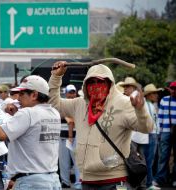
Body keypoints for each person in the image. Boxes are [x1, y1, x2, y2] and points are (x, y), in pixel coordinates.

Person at [48, 61, 153, 189]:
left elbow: (146, 128)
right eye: (91, 82)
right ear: (85, 84)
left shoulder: (123, 103)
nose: (96, 86)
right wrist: (56, 77)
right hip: (87, 180)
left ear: (110, 83)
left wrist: (140, 109)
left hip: (115, 180)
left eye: (101, 81)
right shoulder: (79, 104)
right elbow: (54, 104)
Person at [0, 75, 62, 190]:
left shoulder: (27, 113)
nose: (17, 99)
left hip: (31, 181)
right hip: (51, 179)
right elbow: (32, 133)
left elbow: (1, 135)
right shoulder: (54, 113)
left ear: (34, 95)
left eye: (22, 94)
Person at [120, 77, 148, 189]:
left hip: (134, 135)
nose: (125, 89)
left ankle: (135, 184)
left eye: (127, 87)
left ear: (133, 87)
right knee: (140, 160)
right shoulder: (138, 96)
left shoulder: (133, 98)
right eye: (125, 87)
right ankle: (141, 184)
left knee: (131, 161)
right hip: (139, 135)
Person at [153, 81, 176, 187]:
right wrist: (159, 132)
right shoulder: (164, 100)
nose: (174, 91)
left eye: (175, 89)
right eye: (172, 88)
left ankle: (174, 179)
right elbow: (160, 118)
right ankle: (160, 179)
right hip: (165, 131)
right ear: (169, 89)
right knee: (163, 156)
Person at [59, 84, 81, 189]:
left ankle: (78, 183)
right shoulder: (61, 104)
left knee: (77, 161)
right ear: (66, 93)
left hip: (76, 136)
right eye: (70, 92)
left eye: (73, 92)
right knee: (63, 161)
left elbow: (72, 121)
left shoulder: (78, 104)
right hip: (62, 136)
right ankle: (65, 182)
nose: (72, 94)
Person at [142, 84, 163, 190]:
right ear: (149, 95)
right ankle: (149, 183)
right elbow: (150, 122)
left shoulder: (151, 105)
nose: (157, 95)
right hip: (150, 134)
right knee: (149, 160)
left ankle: (148, 182)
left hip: (152, 134)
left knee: (150, 159)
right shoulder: (146, 105)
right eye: (154, 93)